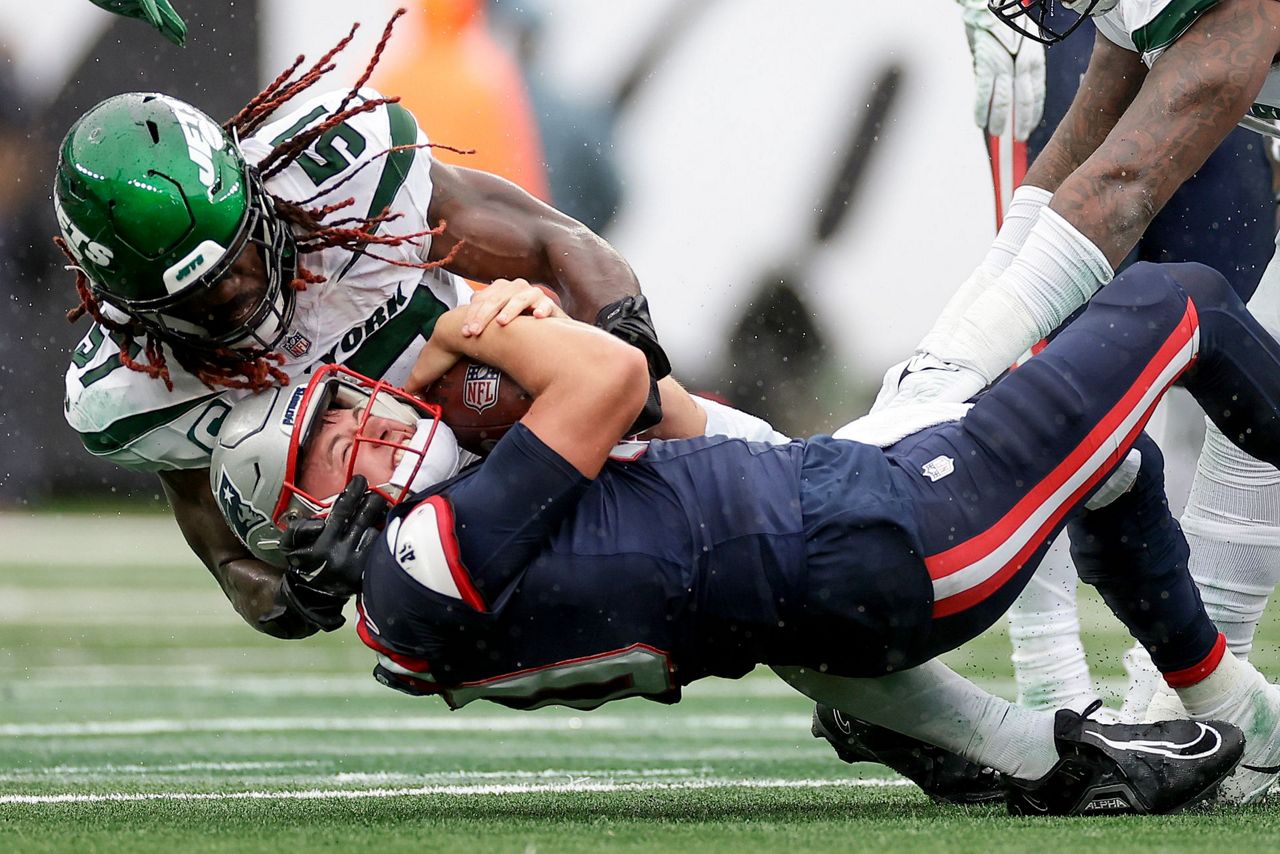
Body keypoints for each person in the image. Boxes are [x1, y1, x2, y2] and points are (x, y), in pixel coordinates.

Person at [214, 260, 1280, 813]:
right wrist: (462, 330)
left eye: (351, 406)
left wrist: (549, 338)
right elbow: (611, 380)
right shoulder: (416, 566)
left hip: (827, 599)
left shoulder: (429, 584)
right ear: (302, 520)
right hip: (895, 534)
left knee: (1113, 464)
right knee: (1172, 301)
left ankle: (1129, 730)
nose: (369, 423)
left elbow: (667, 418)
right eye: (324, 445)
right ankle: (1194, 710)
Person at [56, 12, 768, 640]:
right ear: (133, 309)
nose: (241, 289)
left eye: (240, 250)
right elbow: (229, 561)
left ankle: (809, 480)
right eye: (202, 296)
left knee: (681, 444)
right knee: (430, 627)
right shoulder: (133, 389)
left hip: (501, 403)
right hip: (421, 540)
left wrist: (626, 337)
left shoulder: (340, 175)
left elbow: (553, 239)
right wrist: (301, 592)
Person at [873, 0, 1280, 762]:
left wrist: (956, 366)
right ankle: (1211, 707)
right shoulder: (1131, 16)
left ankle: (1234, 714)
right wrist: (937, 364)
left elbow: (1122, 188)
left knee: (1250, 364)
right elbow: (1063, 181)